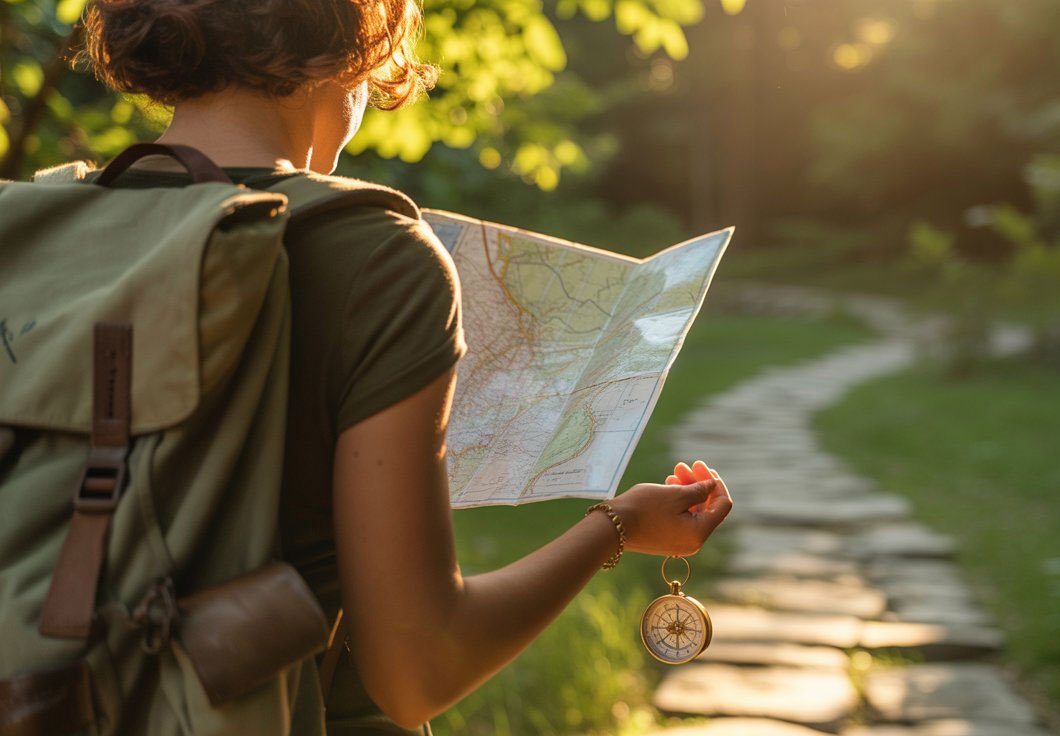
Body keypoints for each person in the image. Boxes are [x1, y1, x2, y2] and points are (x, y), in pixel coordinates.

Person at [78, 0, 733, 733]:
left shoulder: (45, 231)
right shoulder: (372, 255)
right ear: (351, 42)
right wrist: (616, 525)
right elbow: (418, 670)